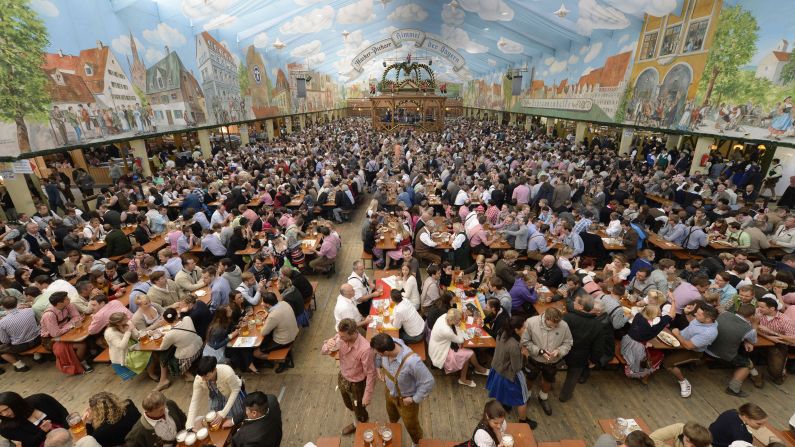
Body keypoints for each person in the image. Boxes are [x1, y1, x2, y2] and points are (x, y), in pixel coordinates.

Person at [370, 333, 435, 445]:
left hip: (406, 400)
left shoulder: (413, 362)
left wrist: (414, 399)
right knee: (392, 417)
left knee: (411, 426)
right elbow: (378, 355)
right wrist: (377, 367)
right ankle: (393, 432)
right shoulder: (389, 342)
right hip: (389, 392)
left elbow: (429, 381)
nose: (376, 354)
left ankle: (416, 443)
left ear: (385, 352)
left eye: (377, 353)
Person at [320, 318, 377, 436]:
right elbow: (323, 352)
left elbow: (371, 373)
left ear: (353, 333)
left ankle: (364, 430)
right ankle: (356, 425)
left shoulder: (365, 349)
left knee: (360, 410)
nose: (339, 338)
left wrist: (367, 395)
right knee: (349, 405)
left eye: (343, 337)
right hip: (343, 377)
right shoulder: (340, 336)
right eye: (339, 335)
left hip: (357, 384)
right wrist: (327, 344)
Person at [486, 315, 538, 429]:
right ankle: (523, 421)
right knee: (522, 399)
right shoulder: (514, 345)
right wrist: (525, 355)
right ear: (516, 329)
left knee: (500, 392)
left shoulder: (502, 332)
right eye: (523, 327)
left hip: (497, 368)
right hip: (510, 374)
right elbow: (517, 367)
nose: (525, 329)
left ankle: (505, 405)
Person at [521, 307, 572, 416]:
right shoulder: (531, 322)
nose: (555, 327)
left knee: (548, 379)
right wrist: (539, 351)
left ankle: (543, 397)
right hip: (535, 358)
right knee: (530, 377)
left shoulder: (564, 325)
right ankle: (526, 395)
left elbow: (568, 343)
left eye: (557, 325)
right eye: (552, 324)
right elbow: (525, 341)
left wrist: (558, 351)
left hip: (553, 361)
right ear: (546, 318)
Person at [705, 303, 761, 396]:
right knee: (747, 364)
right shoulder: (748, 329)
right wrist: (755, 325)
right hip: (722, 355)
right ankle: (733, 389)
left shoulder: (724, 314)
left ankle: (755, 375)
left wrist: (745, 341)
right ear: (752, 316)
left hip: (707, 348)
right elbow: (754, 341)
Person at [664, 303, 719, 398]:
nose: (695, 315)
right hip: (679, 340)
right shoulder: (702, 320)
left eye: (698, 314)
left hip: (692, 352)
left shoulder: (709, 333)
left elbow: (688, 346)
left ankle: (683, 382)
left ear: (708, 319)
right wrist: (686, 313)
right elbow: (693, 322)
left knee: (667, 363)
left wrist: (677, 334)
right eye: (696, 312)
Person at [559, 291, 604, 402]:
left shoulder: (568, 317)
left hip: (562, 351)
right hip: (580, 356)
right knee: (572, 378)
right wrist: (593, 360)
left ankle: (547, 386)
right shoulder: (598, 325)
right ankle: (564, 396)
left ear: (581, 307)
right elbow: (598, 346)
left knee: (552, 370)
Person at [429, 308, 489, 387]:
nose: (460, 321)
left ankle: (476, 370)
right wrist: (458, 326)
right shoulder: (446, 331)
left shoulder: (444, 316)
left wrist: (457, 326)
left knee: (468, 353)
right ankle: (472, 373)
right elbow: (460, 340)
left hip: (438, 345)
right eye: (458, 319)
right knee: (470, 353)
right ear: (453, 320)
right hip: (441, 353)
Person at [186, 357, 246, 431]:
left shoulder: (227, 372)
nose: (203, 379)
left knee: (234, 420)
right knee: (213, 422)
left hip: (230, 394)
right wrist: (189, 425)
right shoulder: (199, 378)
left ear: (214, 370)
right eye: (202, 376)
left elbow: (235, 390)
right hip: (214, 396)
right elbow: (194, 401)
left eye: (206, 376)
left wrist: (223, 413)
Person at [104, 312, 157, 384]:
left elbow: (137, 334)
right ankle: (152, 374)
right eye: (125, 319)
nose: (128, 319)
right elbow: (121, 346)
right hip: (124, 354)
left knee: (151, 346)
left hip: (133, 345)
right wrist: (128, 331)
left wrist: (148, 333)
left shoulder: (127, 322)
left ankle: (156, 367)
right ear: (118, 323)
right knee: (149, 353)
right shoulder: (110, 333)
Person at [0, 392, 68, 447]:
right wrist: (43, 431)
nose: (4, 414)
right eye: (0, 412)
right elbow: (31, 442)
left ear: (14, 403)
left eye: (6, 409)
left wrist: (70, 429)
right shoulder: (5, 428)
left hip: (67, 433)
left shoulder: (41, 399)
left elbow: (62, 413)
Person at [254, 292, 299, 373]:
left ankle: (282, 360)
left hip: (284, 340)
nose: (262, 303)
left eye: (263, 302)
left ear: (267, 304)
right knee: (266, 339)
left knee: (256, 353)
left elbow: (263, 332)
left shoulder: (273, 315)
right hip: (294, 331)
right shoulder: (284, 303)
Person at [158, 308, 203, 381]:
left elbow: (163, 347)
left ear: (166, 321)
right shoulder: (187, 318)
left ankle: (187, 375)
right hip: (199, 345)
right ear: (177, 316)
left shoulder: (170, 335)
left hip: (189, 354)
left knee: (167, 357)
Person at [0, 294, 40, 372]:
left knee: (1, 351)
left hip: (21, 346)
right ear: (17, 302)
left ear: (3, 307)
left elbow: (5, 341)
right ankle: (37, 356)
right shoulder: (29, 310)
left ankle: (20, 366)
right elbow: (37, 322)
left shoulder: (2, 322)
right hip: (37, 340)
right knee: (29, 334)